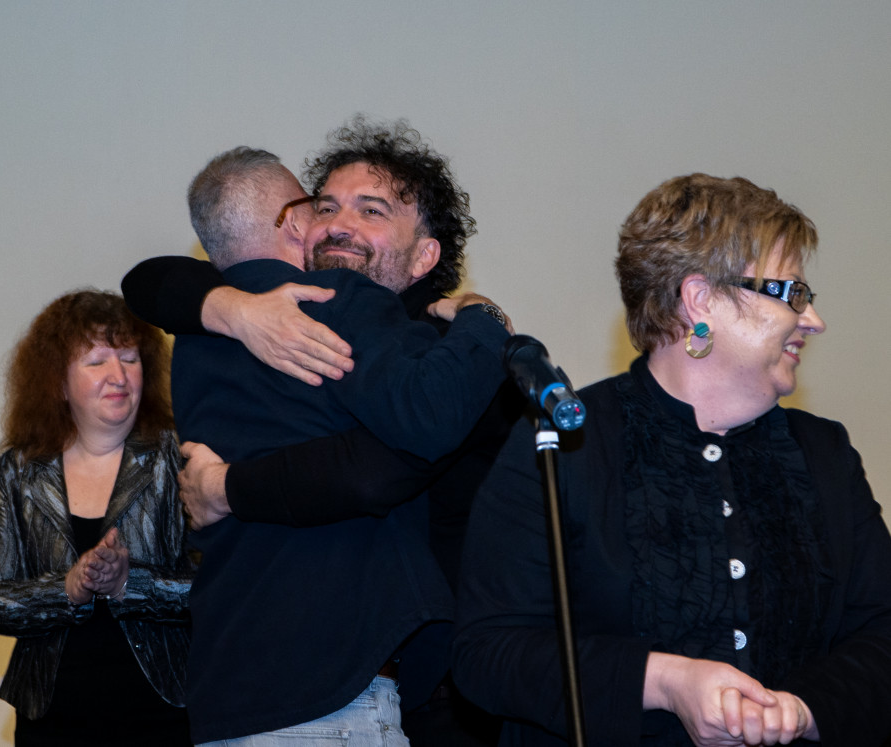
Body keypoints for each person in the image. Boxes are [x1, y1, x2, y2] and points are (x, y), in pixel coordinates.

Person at [452, 174, 891, 746]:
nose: (813, 320)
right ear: (700, 300)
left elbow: (882, 631)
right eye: (792, 293)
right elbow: (488, 652)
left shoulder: (824, 453)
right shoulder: (564, 442)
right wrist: (665, 681)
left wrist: (802, 711)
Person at [123, 118, 517, 746]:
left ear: (425, 256)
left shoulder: (457, 360)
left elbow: (374, 472)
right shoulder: (272, 314)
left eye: (372, 210)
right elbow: (148, 280)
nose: (338, 224)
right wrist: (236, 308)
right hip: (329, 688)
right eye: (326, 206)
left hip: (452, 695)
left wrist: (226, 487)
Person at [0, 289, 193, 746]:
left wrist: (129, 583)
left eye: (129, 358)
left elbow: (217, 585)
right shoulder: (19, 472)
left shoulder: (179, 458)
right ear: (58, 383)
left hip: (162, 716)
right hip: (52, 721)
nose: (118, 376)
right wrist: (66, 589)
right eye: (96, 362)